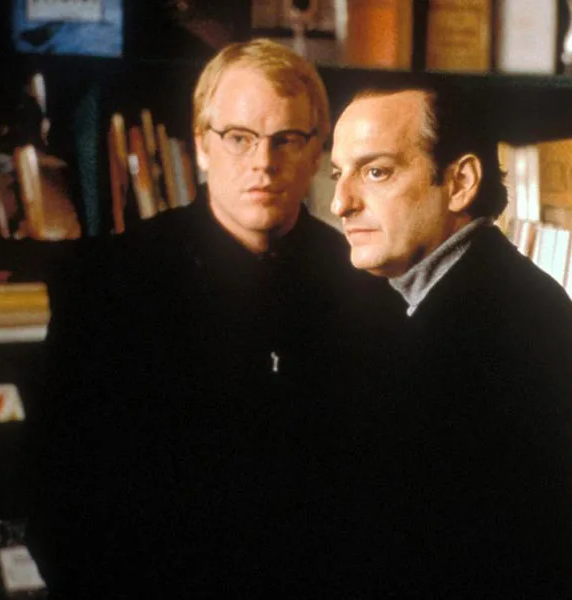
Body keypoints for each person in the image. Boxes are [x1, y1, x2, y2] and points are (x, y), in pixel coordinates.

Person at [26, 39, 397, 598]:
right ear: (201, 146)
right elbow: (57, 497)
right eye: (239, 138)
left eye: (286, 139)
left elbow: (386, 498)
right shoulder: (108, 281)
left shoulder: (370, 283)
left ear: (318, 153)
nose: (263, 163)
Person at [329, 83, 572, 597]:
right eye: (338, 174)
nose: (340, 203)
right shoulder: (475, 296)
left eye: (376, 172)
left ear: (459, 182)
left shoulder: (498, 322)